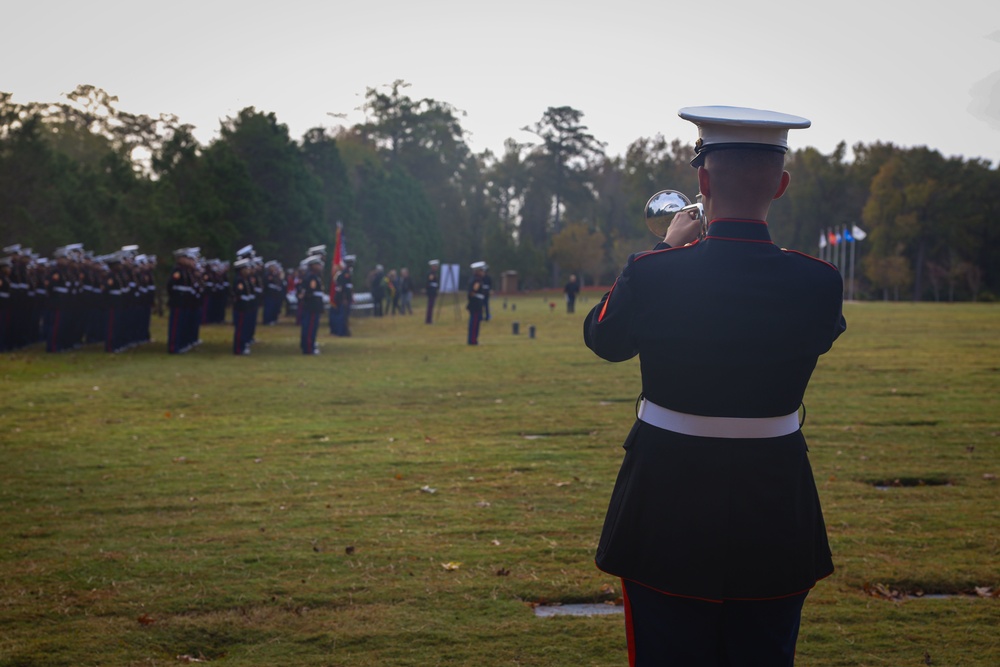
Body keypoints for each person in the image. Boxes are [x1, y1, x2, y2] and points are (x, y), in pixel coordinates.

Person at [583, 106, 846, 666]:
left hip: (665, 505)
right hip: (776, 504)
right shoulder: (818, 282)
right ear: (780, 185)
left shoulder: (655, 272)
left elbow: (604, 338)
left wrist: (666, 251)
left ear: (702, 182)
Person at [297, 255, 325, 354]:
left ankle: (309, 346)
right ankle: (309, 348)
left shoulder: (313, 276)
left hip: (313, 305)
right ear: (313, 266)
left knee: (311, 327)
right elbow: (310, 292)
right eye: (318, 265)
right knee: (310, 327)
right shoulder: (312, 277)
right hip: (312, 306)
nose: (320, 267)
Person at [466, 261, 486, 345]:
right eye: (482, 271)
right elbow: (472, 292)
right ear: (478, 271)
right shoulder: (476, 281)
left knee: (476, 322)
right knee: (474, 323)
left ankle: (473, 339)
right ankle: (473, 340)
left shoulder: (476, 279)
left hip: (476, 304)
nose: (483, 272)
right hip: (475, 304)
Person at [425, 259, 440, 324]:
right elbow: (430, 282)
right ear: (433, 267)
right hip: (431, 291)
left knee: (431, 306)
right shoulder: (431, 273)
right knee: (430, 306)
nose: (436, 268)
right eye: (435, 266)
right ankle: (428, 320)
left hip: (433, 291)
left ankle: (429, 319)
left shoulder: (434, 273)